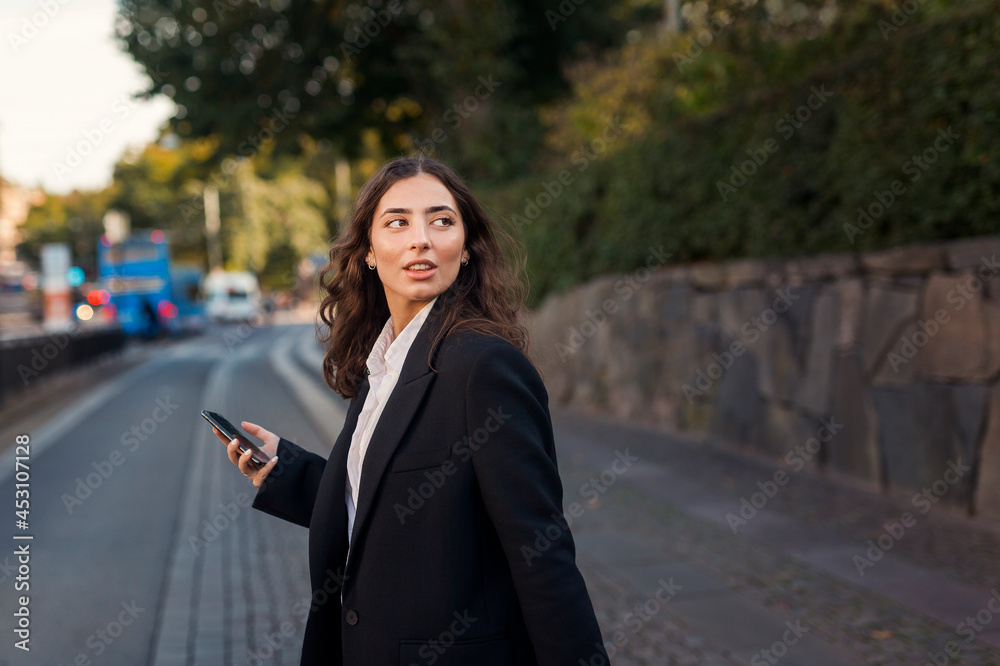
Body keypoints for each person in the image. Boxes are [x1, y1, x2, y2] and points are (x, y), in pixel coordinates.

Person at [213, 156, 609, 665]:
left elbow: (541, 552)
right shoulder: (383, 363)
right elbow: (388, 506)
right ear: (370, 253)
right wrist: (285, 472)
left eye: (441, 221)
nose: (421, 238)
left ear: (465, 250)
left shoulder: (483, 367)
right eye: (397, 221)